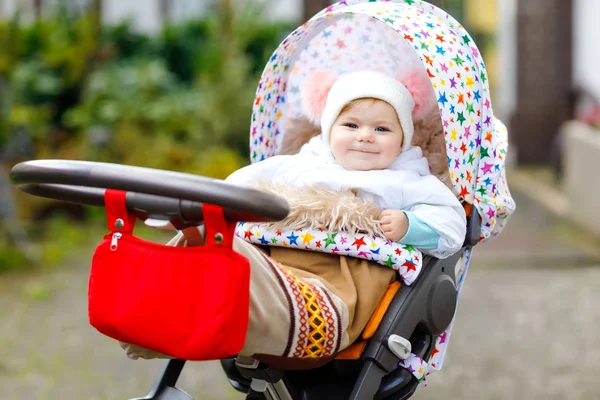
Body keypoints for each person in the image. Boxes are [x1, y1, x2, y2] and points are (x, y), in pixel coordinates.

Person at [119, 69, 466, 365]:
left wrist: (409, 226)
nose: (364, 136)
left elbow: (452, 225)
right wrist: (193, 211)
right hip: (278, 265)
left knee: (238, 262)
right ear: (329, 130)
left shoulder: (406, 180)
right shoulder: (300, 167)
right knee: (208, 241)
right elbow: (240, 185)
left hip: (335, 291)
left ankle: (204, 308)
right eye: (351, 124)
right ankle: (152, 314)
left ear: (403, 139)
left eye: (382, 129)